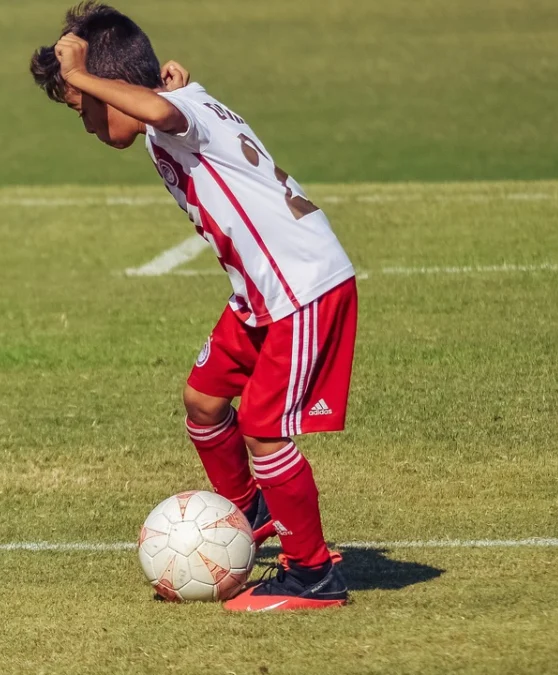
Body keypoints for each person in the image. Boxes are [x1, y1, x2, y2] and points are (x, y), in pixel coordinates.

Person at [29, 3, 356, 611]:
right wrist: (114, 89)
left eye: (84, 107)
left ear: (117, 87)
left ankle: (313, 575)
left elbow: (153, 110)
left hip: (299, 287)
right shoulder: (178, 110)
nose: (89, 124)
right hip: (259, 294)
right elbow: (142, 117)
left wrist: (82, 76)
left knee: (264, 432)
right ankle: (254, 513)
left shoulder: (175, 113)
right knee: (204, 401)